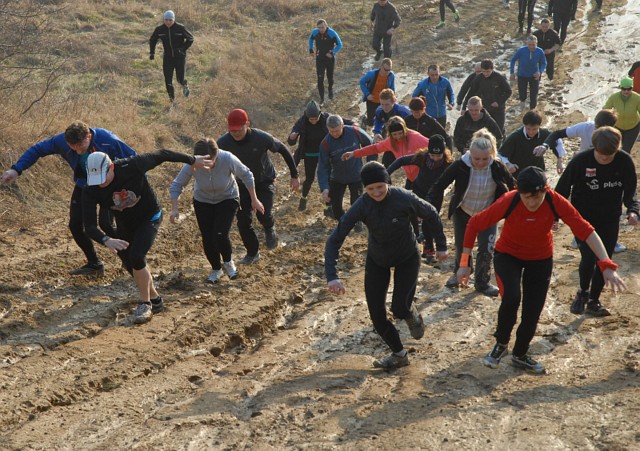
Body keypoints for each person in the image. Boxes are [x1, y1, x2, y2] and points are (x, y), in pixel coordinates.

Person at [458, 166, 626, 373]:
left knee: (533, 309)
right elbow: (474, 224)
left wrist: (606, 264)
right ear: (519, 192)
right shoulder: (510, 200)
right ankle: (501, 345)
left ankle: (520, 354)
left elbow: (585, 230)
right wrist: (464, 263)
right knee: (511, 297)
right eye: (526, 197)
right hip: (508, 255)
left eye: (536, 197)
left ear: (546, 189)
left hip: (540, 258)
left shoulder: (555, 201)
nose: (531, 203)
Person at [325, 161, 448, 369]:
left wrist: (441, 245)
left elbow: (431, 214)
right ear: (364, 188)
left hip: (407, 257)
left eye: (380, 186)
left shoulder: (403, 197)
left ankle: (411, 314)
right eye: (370, 189)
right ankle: (400, 355)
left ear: (387, 182)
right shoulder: (362, 205)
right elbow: (335, 238)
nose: (376, 192)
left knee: (399, 308)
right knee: (377, 315)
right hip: (377, 259)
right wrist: (332, 275)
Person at [82, 150, 213, 324]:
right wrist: (106, 240)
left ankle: (145, 304)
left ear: (111, 167)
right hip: (126, 225)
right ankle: (156, 300)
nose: (101, 183)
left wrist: (191, 160)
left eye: (104, 177)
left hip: (149, 216)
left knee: (137, 256)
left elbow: (161, 154)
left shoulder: (132, 165)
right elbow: (89, 226)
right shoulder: (90, 190)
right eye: (96, 180)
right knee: (130, 263)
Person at [0, 121, 137, 276]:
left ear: (89, 136)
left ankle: (133, 264)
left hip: (109, 188)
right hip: (84, 186)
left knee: (106, 225)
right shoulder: (61, 141)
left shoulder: (108, 139)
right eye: (73, 147)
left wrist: (134, 189)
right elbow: (38, 149)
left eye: (81, 146)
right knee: (76, 225)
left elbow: (134, 160)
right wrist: (16, 169)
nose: (78, 151)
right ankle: (94, 265)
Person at [555, 127, 638, 317]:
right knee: (589, 257)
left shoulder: (624, 161)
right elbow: (561, 190)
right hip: (583, 219)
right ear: (594, 147)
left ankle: (594, 299)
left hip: (609, 217)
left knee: (605, 259)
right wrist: (555, 216)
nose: (605, 160)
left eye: (609, 156)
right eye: (601, 156)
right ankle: (583, 293)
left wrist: (633, 210)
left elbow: (631, 191)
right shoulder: (580, 161)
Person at [429, 129, 515, 296]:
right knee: (462, 247)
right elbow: (439, 185)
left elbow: (514, 186)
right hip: (463, 212)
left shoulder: (497, 166)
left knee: (486, 248)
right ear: (470, 153)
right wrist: (428, 205)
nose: (481, 162)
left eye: (485, 158)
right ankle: (461, 272)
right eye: (476, 159)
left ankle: (482, 282)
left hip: (487, 213)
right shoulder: (460, 165)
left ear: (490, 154)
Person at [169, 139, 265, 285]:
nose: (206, 165)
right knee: (207, 237)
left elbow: (247, 175)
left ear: (216, 155)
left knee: (220, 234)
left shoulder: (227, 158)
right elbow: (177, 184)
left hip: (228, 197)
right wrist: (175, 209)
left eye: (210, 161)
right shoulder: (192, 163)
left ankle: (228, 262)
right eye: (202, 162)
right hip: (202, 200)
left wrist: (254, 199)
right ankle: (216, 269)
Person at [217, 109, 300, 264]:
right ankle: (252, 253)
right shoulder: (223, 143)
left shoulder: (261, 138)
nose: (235, 133)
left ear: (247, 124)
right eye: (232, 130)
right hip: (240, 183)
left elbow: (283, 149)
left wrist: (294, 175)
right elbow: (212, 161)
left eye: (239, 129)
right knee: (243, 220)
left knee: (263, 213)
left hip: (264, 180)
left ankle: (269, 227)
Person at [543, 109, 626, 253]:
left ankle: (611, 240)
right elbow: (557, 134)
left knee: (609, 204)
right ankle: (578, 236)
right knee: (581, 202)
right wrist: (546, 146)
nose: (599, 133)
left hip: (605, 169)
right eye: (597, 128)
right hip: (582, 169)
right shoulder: (585, 127)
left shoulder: (613, 135)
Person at [388, 135, 454, 262]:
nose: (435, 159)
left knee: (429, 220)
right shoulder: (421, 157)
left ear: (444, 153)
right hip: (418, 191)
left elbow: (457, 177)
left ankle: (429, 248)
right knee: (412, 218)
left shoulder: (448, 163)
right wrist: (386, 172)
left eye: (438, 156)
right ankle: (411, 243)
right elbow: (401, 161)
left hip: (435, 195)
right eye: (432, 155)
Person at [288, 101, 353, 212]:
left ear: (320, 114)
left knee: (328, 178)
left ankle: (329, 205)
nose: (313, 121)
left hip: (326, 154)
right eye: (311, 119)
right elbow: (291, 140)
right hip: (310, 154)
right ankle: (303, 198)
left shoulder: (326, 117)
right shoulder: (302, 121)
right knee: (310, 178)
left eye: (315, 118)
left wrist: (353, 123)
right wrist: (292, 137)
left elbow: (342, 121)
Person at [343, 116, 429, 189]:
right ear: (390, 134)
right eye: (394, 134)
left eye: (400, 133)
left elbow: (432, 145)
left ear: (404, 129)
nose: (398, 137)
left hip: (423, 177)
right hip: (410, 178)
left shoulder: (414, 137)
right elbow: (375, 148)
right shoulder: (390, 142)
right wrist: (354, 153)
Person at [317, 115, 374, 222]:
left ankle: (358, 222)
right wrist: (324, 187)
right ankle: (343, 224)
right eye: (331, 131)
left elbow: (370, 145)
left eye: (337, 130)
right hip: (337, 178)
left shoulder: (355, 132)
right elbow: (323, 167)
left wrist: (369, 165)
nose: (334, 134)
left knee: (356, 203)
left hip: (356, 175)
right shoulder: (325, 143)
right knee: (336, 208)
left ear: (343, 125)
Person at [498, 110, 566, 177]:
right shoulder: (514, 137)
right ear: (524, 125)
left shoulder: (544, 133)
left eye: (534, 129)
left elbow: (557, 139)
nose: (531, 132)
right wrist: (508, 164)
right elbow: (500, 155)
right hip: (518, 174)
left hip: (538, 172)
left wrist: (559, 160)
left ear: (539, 126)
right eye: (528, 129)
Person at [149, 10, 194, 102]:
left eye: (170, 20)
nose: (168, 22)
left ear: (174, 19)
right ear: (163, 19)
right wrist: (152, 53)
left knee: (180, 79)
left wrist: (182, 49)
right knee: (168, 80)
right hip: (168, 58)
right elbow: (153, 40)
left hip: (180, 58)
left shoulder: (180, 28)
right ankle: (172, 100)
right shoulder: (160, 29)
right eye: (166, 20)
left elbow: (190, 38)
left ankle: (184, 85)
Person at [469, 59, 512, 133]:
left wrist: (499, 102)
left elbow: (508, 91)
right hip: (484, 109)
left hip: (498, 110)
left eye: (488, 71)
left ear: (492, 69)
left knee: (499, 131)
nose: (485, 74)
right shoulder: (479, 78)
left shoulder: (499, 77)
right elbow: (472, 91)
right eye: (483, 71)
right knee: (484, 131)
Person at [372, 88, 412, 166]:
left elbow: (414, 127)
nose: (384, 107)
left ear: (394, 101)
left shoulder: (404, 112)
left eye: (387, 104)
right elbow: (378, 121)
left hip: (407, 140)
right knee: (386, 164)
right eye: (382, 104)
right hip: (393, 139)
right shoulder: (379, 111)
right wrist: (377, 132)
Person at [308, 19, 343, 105]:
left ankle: (330, 89)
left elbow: (340, 44)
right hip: (319, 59)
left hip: (330, 59)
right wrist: (311, 49)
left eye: (323, 27)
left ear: (326, 26)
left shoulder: (332, 33)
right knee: (320, 79)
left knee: (330, 78)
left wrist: (332, 52)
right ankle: (322, 99)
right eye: (319, 28)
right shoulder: (315, 32)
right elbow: (310, 39)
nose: (321, 29)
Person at [603, 77, 640, 153]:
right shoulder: (614, 97)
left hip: (632, 128)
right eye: (624, 89)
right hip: (617, 127)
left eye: (629, 89)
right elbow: (606, 110)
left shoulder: (637, 98)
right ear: (620, 88)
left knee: (625, 150)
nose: (626, 91)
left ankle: (624, 164)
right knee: (614, 148)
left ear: (632, 88)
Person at [510, 35, 547, 111]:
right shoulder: (521, 50)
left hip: (534, 75)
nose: (531, 46)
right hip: (522, 75)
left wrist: (540, 72)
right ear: (527, 43)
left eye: (533, 45)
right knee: (522, 93)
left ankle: (532, 111)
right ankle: (522, 106)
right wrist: (512, 72)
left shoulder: (539, 51)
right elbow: (513, 60)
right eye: (529, 45)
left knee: (534, 95)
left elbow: (544, 63)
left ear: (536, 43)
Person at [359, 58, 396, 128]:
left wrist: (393, 99)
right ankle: (365, 120)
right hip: (372, 101)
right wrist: (367, 94)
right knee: (371, 122)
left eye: (389, 70)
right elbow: (362, 82)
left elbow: (392, 89)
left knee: (385, 121)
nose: (387, 72)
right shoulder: (372, 74)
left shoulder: (391, 75)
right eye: (386, 70)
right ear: (381, 67)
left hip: (384, 102)